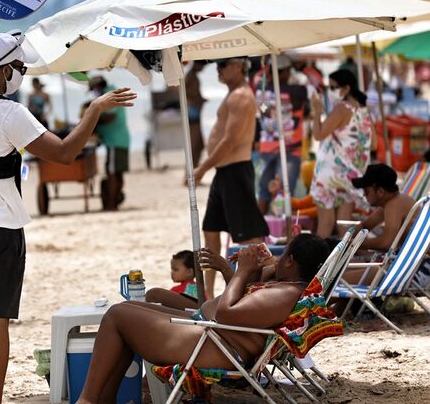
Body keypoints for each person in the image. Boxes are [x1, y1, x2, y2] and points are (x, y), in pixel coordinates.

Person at [0, 32, 136, 404]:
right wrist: (93, 111)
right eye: (20, 67)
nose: (21, 73)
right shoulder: (9, 113)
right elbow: (66, 153)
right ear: (6, 69)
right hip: (0, 226)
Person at [75, 234, 330, 404]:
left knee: (116, 316)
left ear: (291, 261)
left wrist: (242, 271)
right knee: (127, 309)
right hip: (213, 335)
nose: (278, 260)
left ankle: (86, 400)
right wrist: (248, 270)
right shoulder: (288, 285)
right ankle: (102, 400)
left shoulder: (284, 294)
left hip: (215, 344)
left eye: (283, 256)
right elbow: (246, 305)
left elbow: (228, 314)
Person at [194, 58, 269, 299]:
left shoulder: (241, 96)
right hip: (225, 171)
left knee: (249, 236)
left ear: (238, 66)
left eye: (223, 64)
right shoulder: (232, 94)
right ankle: (207, 291)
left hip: (236, 170)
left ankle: (259, 284)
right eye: (217, 66)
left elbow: (230, 140)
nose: (218, 69)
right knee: (210, 229)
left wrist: (202, 168)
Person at [309, 69, 372, 238]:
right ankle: (346, 254)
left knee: (325, 223)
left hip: (330, 171)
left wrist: (317, 111)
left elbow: (318, 134)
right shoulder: (363, 110)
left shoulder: (341, 109)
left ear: (346, 88)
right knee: (345, 225)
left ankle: (318, 256)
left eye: (333, 87)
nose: (330, 91)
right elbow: (373, 144)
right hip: (351, 174)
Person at [254, 54, 309, 214]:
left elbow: (263, 111)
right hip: (290, 148)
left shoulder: (260, 91)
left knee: (264, 192)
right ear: (285, 71)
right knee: (285, 193)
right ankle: (283, 225)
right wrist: (301, 69)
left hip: (267, 147)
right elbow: (314, 88)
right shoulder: (296, 92)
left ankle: (260, 225)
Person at [89, 76, 131, 211]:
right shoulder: (112, 92)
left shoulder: (109, 95)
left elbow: (111, 116)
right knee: (118, 173)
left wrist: (93, 119)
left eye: (93, 90)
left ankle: (112, 204)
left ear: (98, 87)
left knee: (112, 173)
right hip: (121, 139)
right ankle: (115, 201)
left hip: (115, 140)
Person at [185, 61, 207, 167]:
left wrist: (200, 99)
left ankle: (193, 169)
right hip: (193, 113)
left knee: (199, 145)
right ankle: (190, 170)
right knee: (195, 144)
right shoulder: (191, 76)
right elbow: (185, 92)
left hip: (194, 111)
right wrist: (198, 100)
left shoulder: (192, 76)